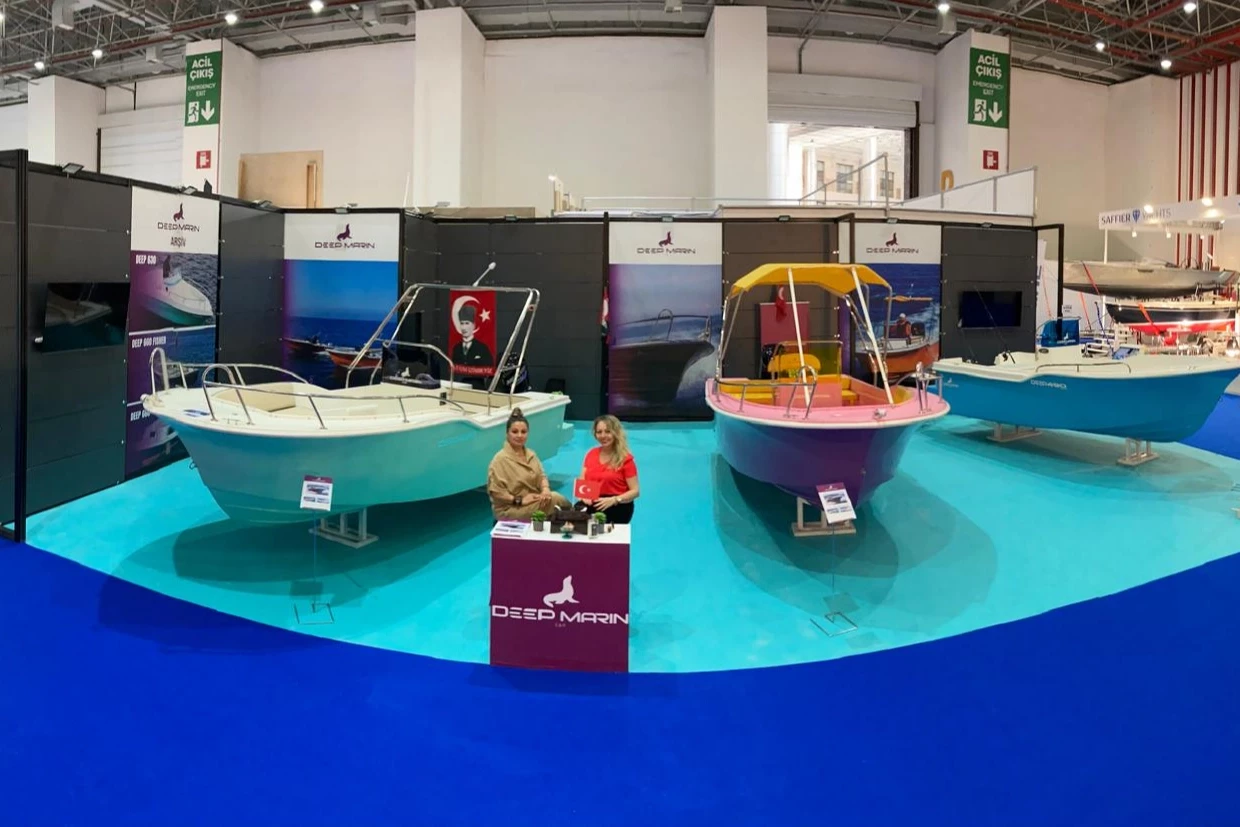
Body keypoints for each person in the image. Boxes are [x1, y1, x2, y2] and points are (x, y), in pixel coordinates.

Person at [487, 408, 570, 521]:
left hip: (533, 500)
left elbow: (542, 476)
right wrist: (519, 500)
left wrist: (545, 489)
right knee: (557, 500)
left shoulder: (531, 454)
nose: (519, 435)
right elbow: (496, 493)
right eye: (515, 432)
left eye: (523, 432)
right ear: (507, 433)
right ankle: (577, 518)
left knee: (553, 498)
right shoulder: (499, 460)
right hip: (510, 509)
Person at [577, 415, 640, 524]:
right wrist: (584, 496)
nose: (603, 436)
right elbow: (582, 481)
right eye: (599, 432)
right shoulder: (591, 454)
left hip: (617, 505)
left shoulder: (625, 459)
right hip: (593, 502)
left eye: (608, 431)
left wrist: (614, 500)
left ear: (615, 433)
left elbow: (635, 491)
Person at [451, 303, 494, 372]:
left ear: (473, 326)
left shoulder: (482, 348)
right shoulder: (456, 348)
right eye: (462, 323)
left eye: (467, 323)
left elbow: (489, 369)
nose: (464, 327)